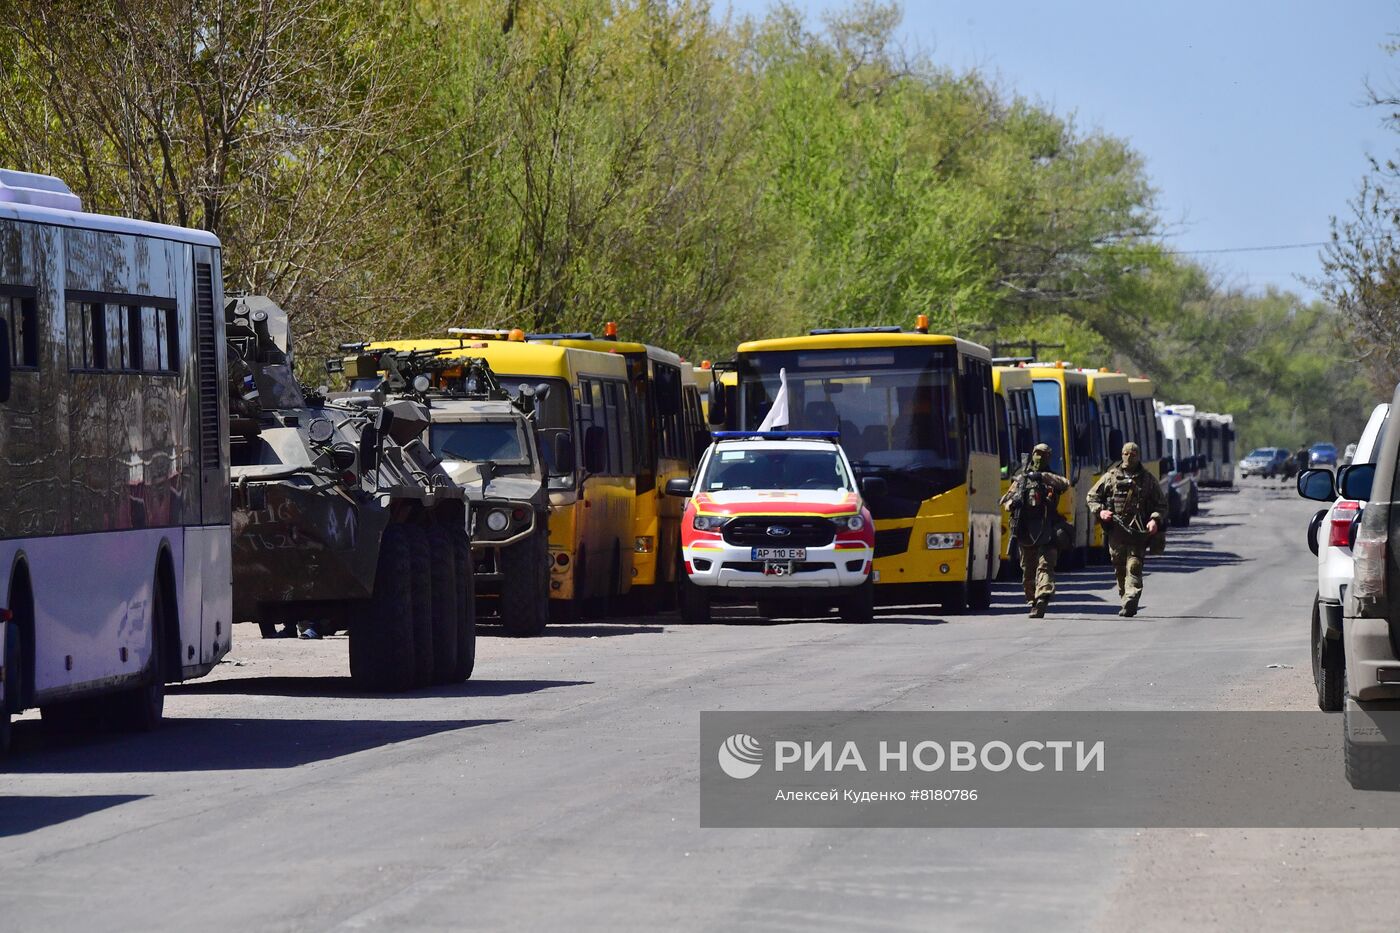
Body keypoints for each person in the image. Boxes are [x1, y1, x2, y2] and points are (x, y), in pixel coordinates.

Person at [1088, 442, 1167, 617]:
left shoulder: (1147, 480)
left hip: (1138, 532)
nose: (1128, 458)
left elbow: (1161, 504)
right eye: (1125, 454)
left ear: (1138, 456)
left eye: (1132, 454)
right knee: (1120, 568)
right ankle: (1126, 596)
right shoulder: (1111, 477)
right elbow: (1092, 497)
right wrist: (1101, 512)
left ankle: (1131, 598)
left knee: (1134, 566)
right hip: (1116, 531)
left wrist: (1154, 519)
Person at [999, 443, 1070, 618]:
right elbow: (1005, 501)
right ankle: (1033, 600)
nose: (1040, 458)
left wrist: (1042, 477)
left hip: (1048, 530)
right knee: (1028, 571)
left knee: (1045, 567)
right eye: (1037, 454)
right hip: (1026, 532)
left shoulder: (1051, 477)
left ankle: (1042, 599)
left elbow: (1065, 483)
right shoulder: (1021, 479)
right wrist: (1012, 504)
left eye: (1043, 455)